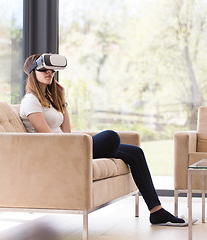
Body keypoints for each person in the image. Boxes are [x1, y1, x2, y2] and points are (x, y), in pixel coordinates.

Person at [19, 53, 185, 226]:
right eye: (44, 69)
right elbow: (49, 139)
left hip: (67, 147)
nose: (50, 73)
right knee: (110, 137)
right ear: (32, 73)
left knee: (136, 152)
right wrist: (76, 146)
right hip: (58, 153)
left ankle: (156, 211)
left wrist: (62, 100)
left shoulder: (50, 100)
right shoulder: (31, 101)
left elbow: (66, 133)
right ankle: (155, 210)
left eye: (52, 70)